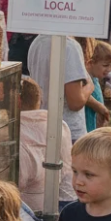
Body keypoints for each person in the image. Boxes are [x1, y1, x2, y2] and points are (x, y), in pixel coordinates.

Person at [19, 76, 75, 213]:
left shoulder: (18, 130)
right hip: (67, 197)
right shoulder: (59, 124)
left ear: (17, 101)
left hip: (33, 209)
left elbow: (20, 180)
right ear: (40, 101)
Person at [28, 33, 91, 144]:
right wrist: (90, 86)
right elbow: (75, 102)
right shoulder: (70, 47)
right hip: (68, 132)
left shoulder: (37, 42)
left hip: (42, 127)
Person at [84, 41, 111, 132]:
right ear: (90, 63)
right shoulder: (84, 80)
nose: (109, 69)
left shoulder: (95, 79)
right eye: (105, 65)